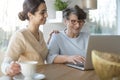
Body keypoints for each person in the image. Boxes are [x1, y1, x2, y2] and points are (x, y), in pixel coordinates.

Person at [1, 0, 48, 77]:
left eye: (46, 11)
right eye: (42, 12)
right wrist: (8, 68)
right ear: (30, 15)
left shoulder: (41, 34)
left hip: (40, 76)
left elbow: (40, 54)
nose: (46, 15)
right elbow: (5, 63)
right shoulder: (20, 35)